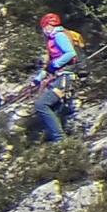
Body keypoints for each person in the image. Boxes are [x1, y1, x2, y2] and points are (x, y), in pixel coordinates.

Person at [33, 13, 78, 143]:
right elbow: (49, 67)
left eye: (44, 27)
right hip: (61, 76)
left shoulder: (59, 36)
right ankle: (57, 138)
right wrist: (37, 79)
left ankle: (59, 139)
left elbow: (70, 53)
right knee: (54, 109)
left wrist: (55, 65)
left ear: (47, 26)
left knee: (41, 105)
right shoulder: (54, 38)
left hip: (65, 77)